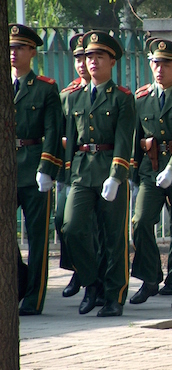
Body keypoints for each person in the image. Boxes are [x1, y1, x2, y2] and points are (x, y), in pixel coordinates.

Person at [62, 30, 135, 317]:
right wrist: (66, 176)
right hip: (82, 171)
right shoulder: (74, 97)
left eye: (99, 56)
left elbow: (124, 138)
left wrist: (117, 175)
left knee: (113, 237)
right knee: (71, 227)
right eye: (89, 56)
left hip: (109, 171)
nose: (92, 61)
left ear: (111, 61)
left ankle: (114, 296)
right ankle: (92, 282)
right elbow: (70, 140)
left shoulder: (122, 98)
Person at [129, 39, 172, 309]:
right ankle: (149, 278)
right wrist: (133, 174)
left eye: (166, 64)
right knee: (141, 221)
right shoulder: (142, 98)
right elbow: (136, 136)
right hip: (150, 170)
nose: (159, 69)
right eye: (156, 63)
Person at [10, 24, 63, 315]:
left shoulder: (45, 88)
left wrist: (46, 168)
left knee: (38, 237)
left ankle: (34, 297)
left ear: (32, 51)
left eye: (19, 48)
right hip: (8, 172)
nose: (13, 54)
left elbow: (53, 132)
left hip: (34, 168)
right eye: (10, 49)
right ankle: (19, 278)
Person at [56, 33, 91, 300]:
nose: (82, 63)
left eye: (86, 57)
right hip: (73, 168)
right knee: (62, 220)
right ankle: (78, 269)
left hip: (100, 168)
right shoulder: (67, 95)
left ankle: (91, 276)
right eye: (78, 58)